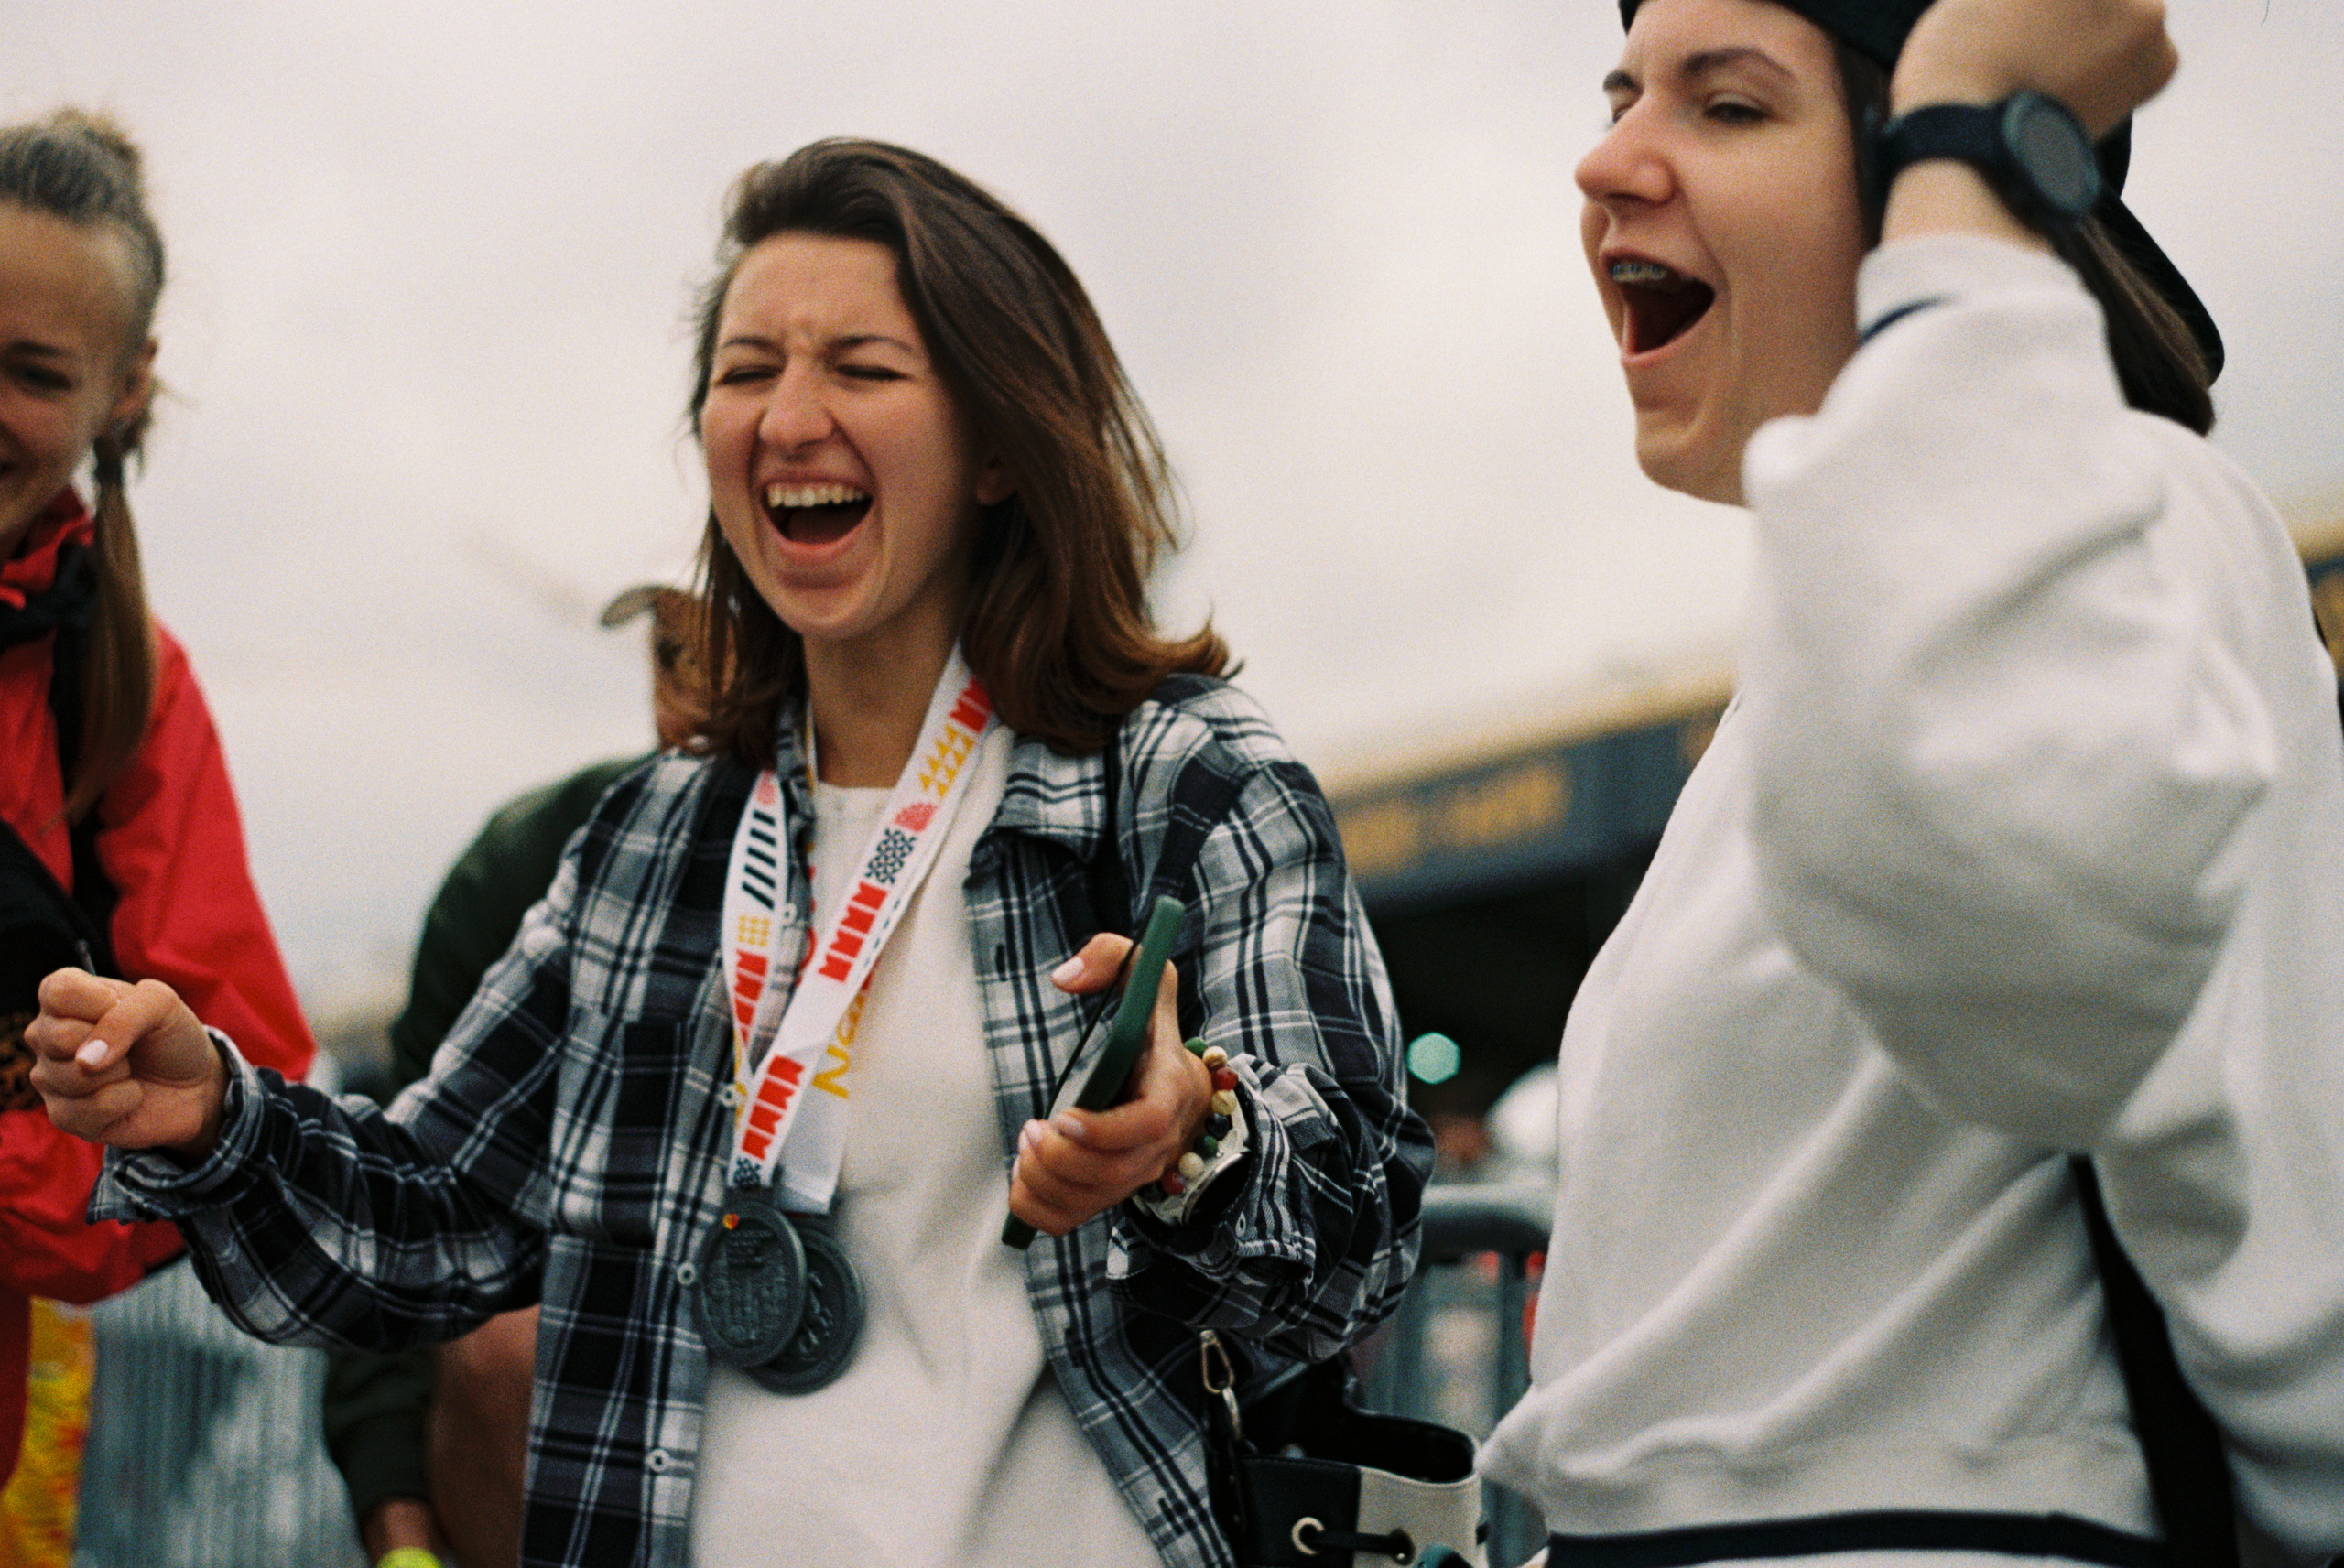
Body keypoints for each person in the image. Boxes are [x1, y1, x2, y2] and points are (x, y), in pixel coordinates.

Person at [32, 139, 1430, 1568]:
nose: (789, 417)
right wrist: (212, 1119)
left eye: (864, 369)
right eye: (748, 368)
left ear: (1003, 444)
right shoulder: (653, 838)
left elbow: (1366, 1232)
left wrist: (1195, 1137)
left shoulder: (1187, 784)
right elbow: (433, 1221)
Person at [1479, 0, 2344, 1561]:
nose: (1606, 157)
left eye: (1726, 106)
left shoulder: (2153, 509)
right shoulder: (1810, 666)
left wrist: (1965, 128)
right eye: (1622, 93)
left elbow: (2016, 936)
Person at [0, 109, 315, 1487]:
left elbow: (234, 1101)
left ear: (123, 391)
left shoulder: (126, 694)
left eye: (31, 371)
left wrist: (32, 1179)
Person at [324, 583, 706, 1568]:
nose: (700, 699)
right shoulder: (524, 865)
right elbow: (400, 1206)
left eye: (750, 654)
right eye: (674, 656)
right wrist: (397, 1527)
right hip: (559, 1458)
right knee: (511, 1342)